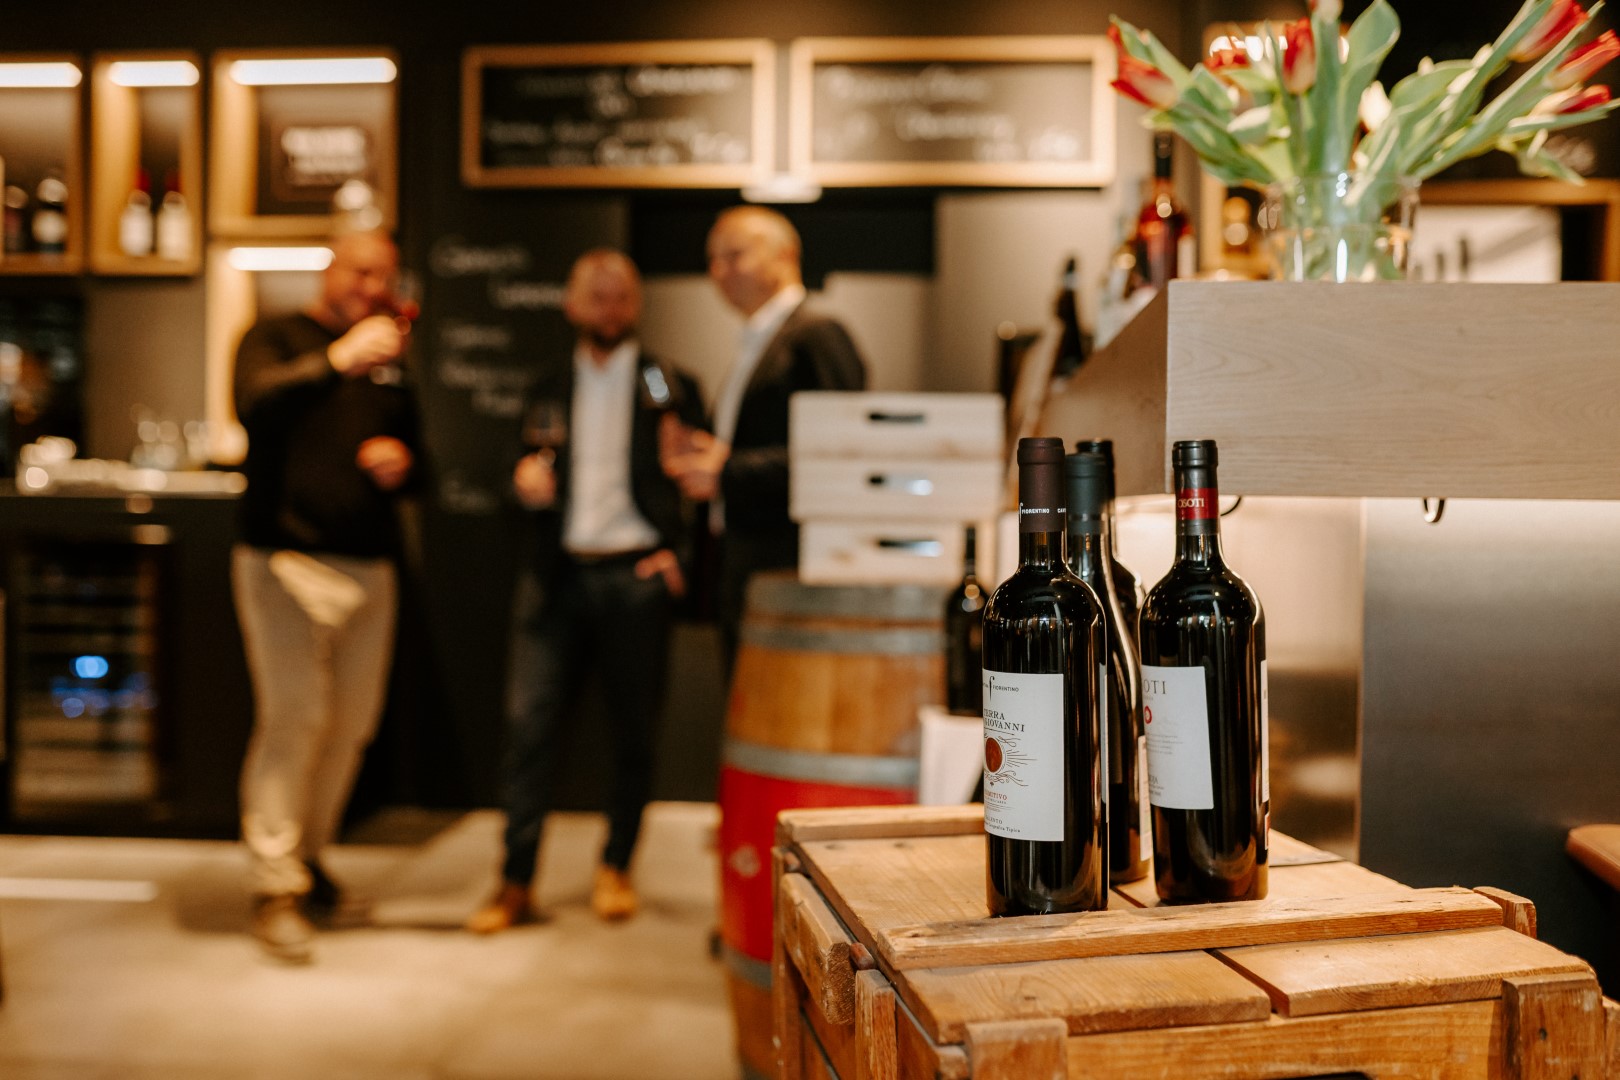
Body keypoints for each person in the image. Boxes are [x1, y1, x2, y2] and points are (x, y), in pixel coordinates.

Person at [467, 249, 704, 933]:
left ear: (637, 304)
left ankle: (616, 866)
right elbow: (511, 474)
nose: (611, 308)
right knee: (528, 730)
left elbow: (700, 477)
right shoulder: (546, 387)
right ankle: (515, 880)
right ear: (571, 305)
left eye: (622, 294)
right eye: (597, 295)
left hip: (635, 577)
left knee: (634, 732)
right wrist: (522, 486)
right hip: (557, 577)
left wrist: (679, 557)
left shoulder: (667, 382)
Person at [231, 229, 420, 963]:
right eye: (362, 272)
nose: (373, 288)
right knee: (295, 721)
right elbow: (254, 403)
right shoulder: (274, 337)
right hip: (284, 561)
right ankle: (274, 884)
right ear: (330, 269)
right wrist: (338, 361)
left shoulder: (392, 365)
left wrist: (404, 464)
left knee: (348, 730)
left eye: (385, 277)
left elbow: (423, 462)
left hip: (371, 567)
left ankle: (308, 862)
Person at [662, 206, 868, 673]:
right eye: (712, 260)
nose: (720, 271)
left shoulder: (817, 335)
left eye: (734, 255)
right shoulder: (756, 343)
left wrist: (727, 471)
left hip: (790, 567)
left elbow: (843, 455)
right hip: (743, 563)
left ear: (785, 256)